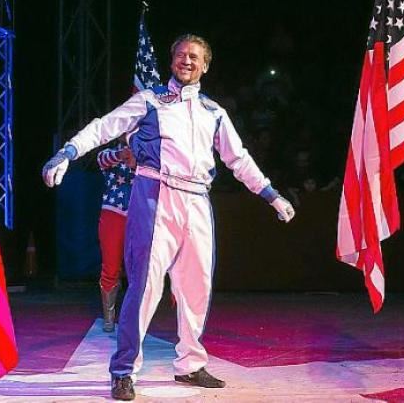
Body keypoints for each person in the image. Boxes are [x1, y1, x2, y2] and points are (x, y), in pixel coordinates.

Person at [42, 34, 295, 401]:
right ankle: (124, 370)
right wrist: (66, 153)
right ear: (171, 61)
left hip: (198, 200)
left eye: (194, 56)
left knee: (197, 286)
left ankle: (190, 364)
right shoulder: (149, 101)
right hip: (155, 194)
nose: (186, 61)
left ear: (205, 65)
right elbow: (103, 126)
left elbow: (238, 159)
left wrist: (270, 194)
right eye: (181, 55)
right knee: (145, 286)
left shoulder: (214, 112)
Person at [95, 141, 136, 332]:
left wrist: (137, 159)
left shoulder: (148, 155)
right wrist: (121, 155)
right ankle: (109, 317)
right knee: (110, 266)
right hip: (112, 214)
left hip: (139, 214)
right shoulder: (109, 154)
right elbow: (102, 160)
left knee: (139, 268)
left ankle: (136, 316)